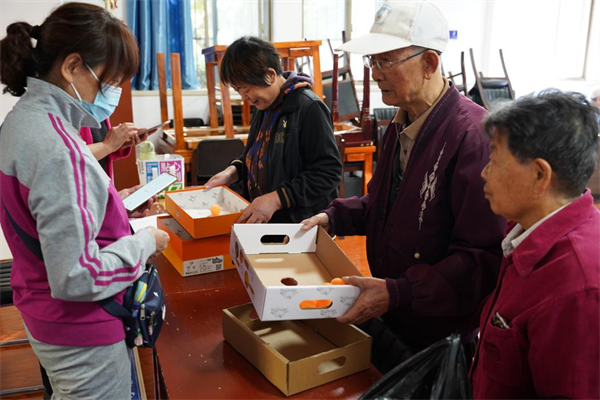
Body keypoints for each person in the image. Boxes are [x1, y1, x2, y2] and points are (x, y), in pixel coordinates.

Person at [302, 0, 505, 372]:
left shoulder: (472, 137)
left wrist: (400, 291)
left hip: (437, 335)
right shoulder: (401, 123)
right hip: (396, 312)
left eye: (386, 61)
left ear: (429, 63)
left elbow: (481, 259)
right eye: (372, 61)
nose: (376, 74)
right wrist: (334, 218)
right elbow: (387, 204)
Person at [0, 3, 170, 399]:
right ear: (73, 67)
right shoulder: (59, 147)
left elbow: (46, 216)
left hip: (43, 310)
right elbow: (79, 277)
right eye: (109, 81)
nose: (113, 93)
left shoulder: (21, 122)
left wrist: (112, 205)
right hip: (82, 329)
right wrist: (146, 241)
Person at [470, 90, 600, 399]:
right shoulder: (525, 232)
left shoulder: (578, 287)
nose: (484, 172)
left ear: (540, 175)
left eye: (494, 159)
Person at [205, 36, 342, 224]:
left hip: (301, 225)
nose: (244, 97)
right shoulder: (264, 106)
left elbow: (328, 172)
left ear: (269, 75)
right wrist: (233, 171)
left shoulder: (309, 107)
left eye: (246, 89)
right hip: (270, 223)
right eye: (238, 91)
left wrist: (276, 199)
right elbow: (256, 155)